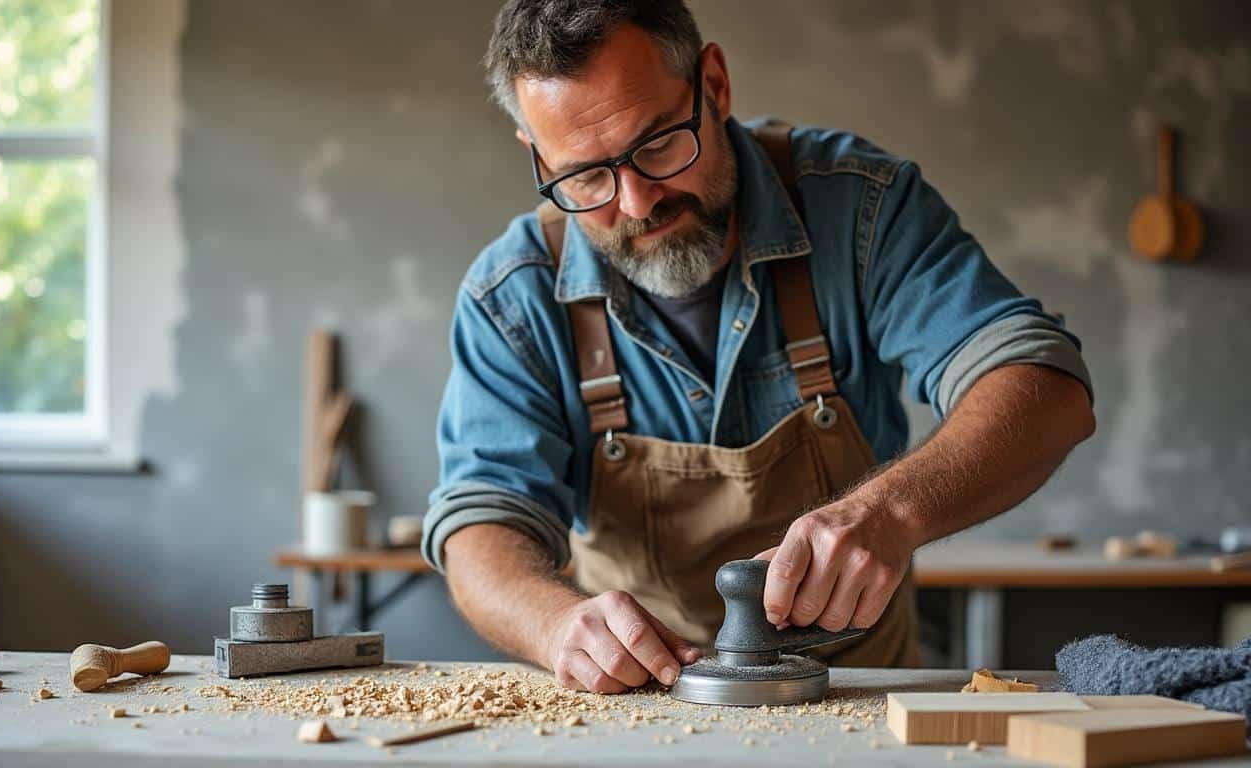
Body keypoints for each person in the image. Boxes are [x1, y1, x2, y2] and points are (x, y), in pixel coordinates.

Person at [422, 0, 1095, 694]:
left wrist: (889, 512)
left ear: (713, 84)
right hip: (638, 711)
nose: (635, 202)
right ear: (537, 155)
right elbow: (481, 523)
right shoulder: (513, 294)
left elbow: (1044, 385)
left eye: (657, 146)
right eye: (585, 177)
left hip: (866, 701)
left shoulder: (860, 209)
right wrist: (554, 624)